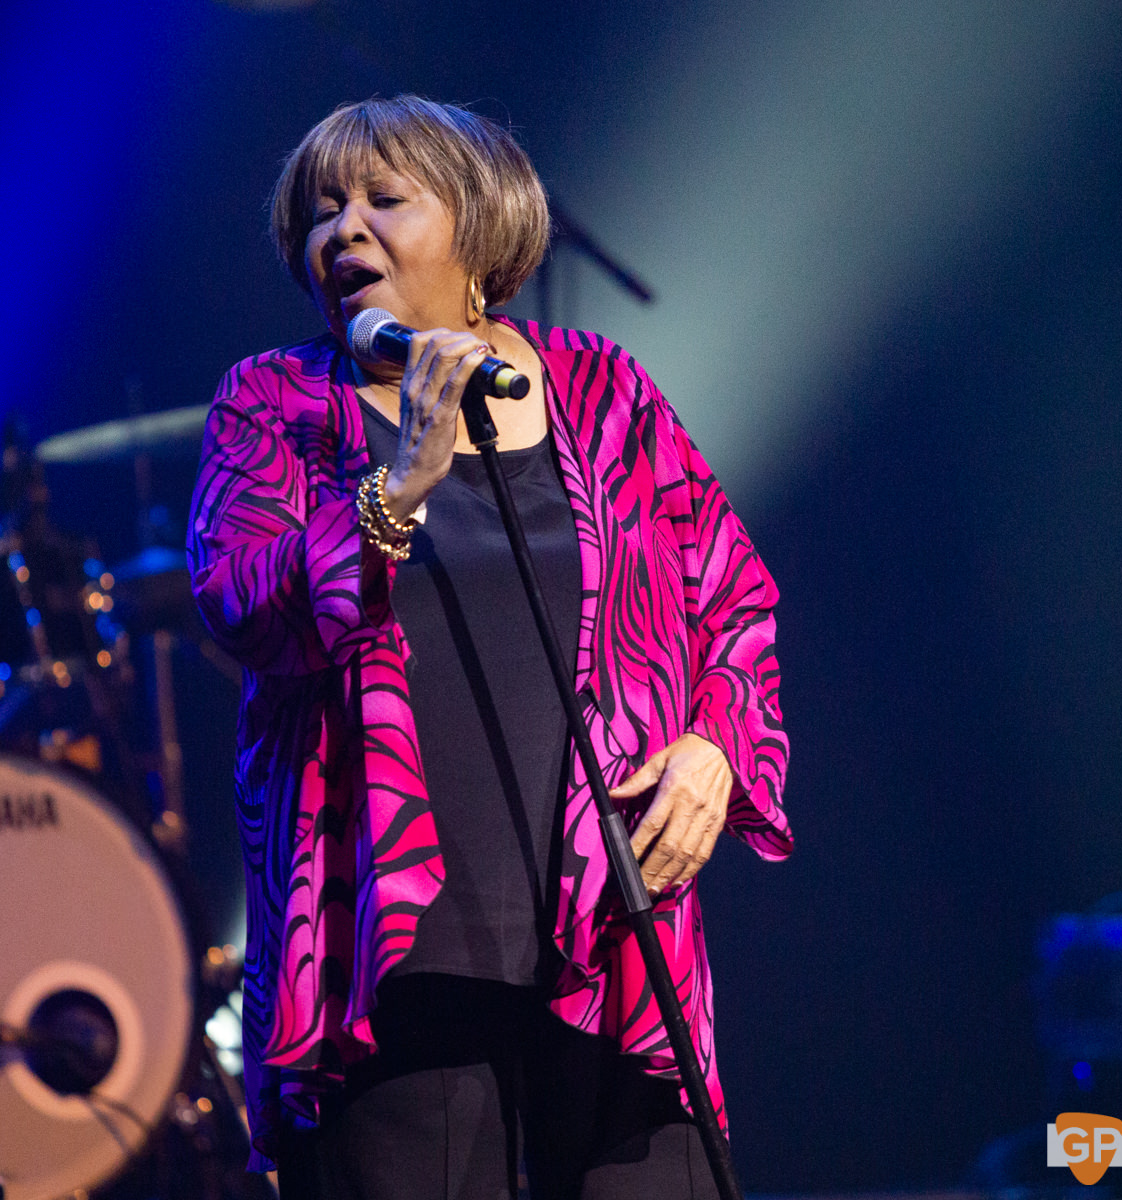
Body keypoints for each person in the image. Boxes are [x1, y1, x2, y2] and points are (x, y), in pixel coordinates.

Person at [188, 96, 792, 1199]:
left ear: (476, 223)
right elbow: (240, 606)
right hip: (394, 959)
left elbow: (731, 598)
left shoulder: (604, 392)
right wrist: (398, 482)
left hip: (612, 944)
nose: (345, 233)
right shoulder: (276, 405)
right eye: (323, 213)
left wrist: (714, 745)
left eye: (382, 201)